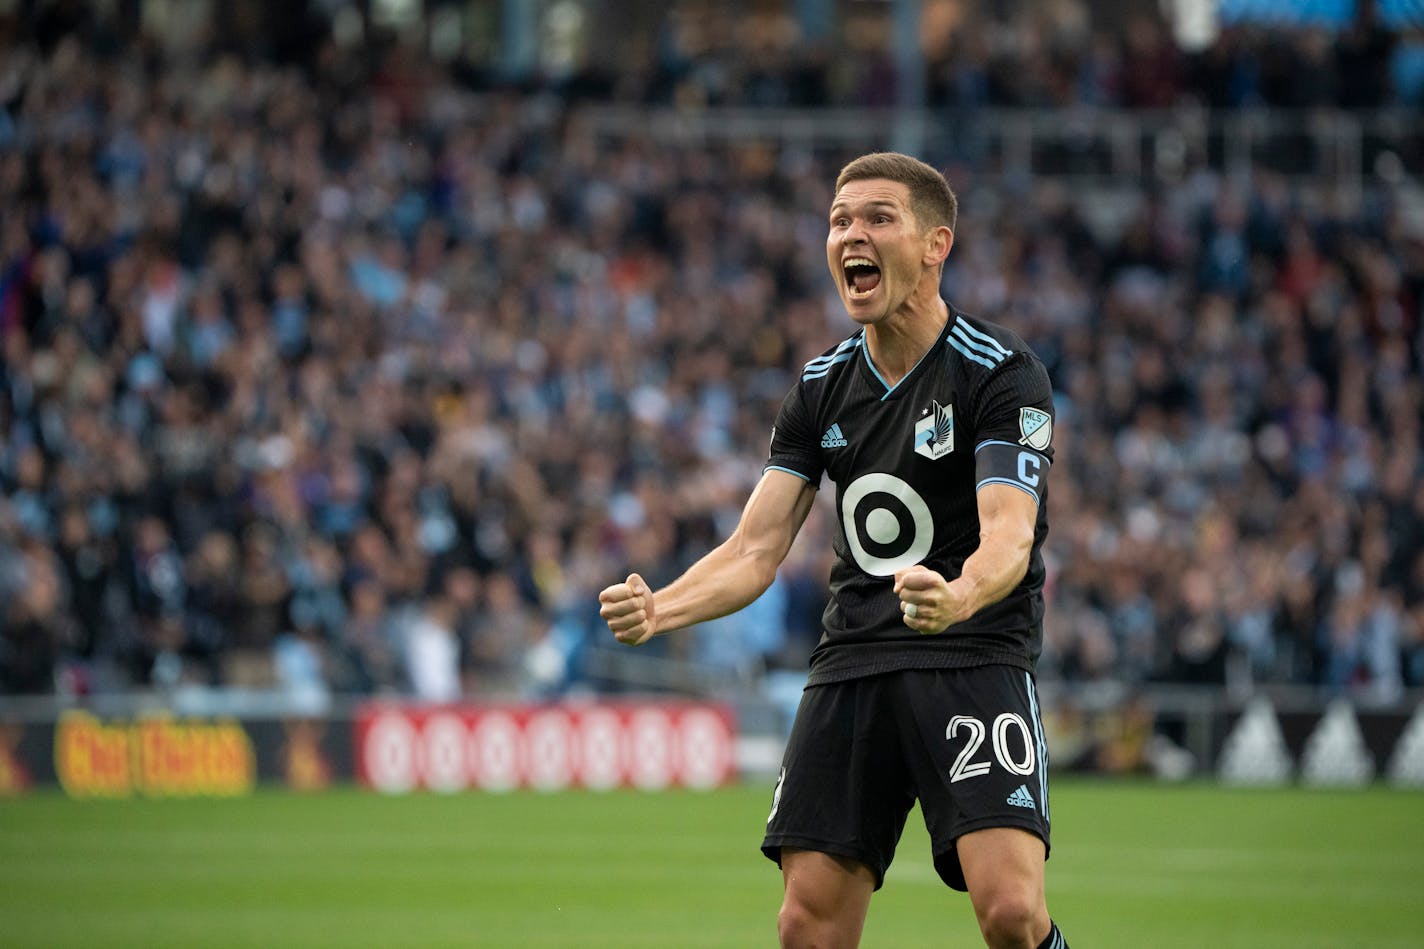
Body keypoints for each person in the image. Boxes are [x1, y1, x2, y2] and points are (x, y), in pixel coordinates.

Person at [599, 151, 1069, 949]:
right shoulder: (820, 388)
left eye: (877, 217)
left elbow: (1009, 538)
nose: (851, 233)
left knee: (1012, 913)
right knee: (806, 927)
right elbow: (756, 548)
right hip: (855, 659)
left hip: (973, 651)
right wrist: (661, 606)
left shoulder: (1001, 373)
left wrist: (956, 596)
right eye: (839, 220)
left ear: (935, 244)